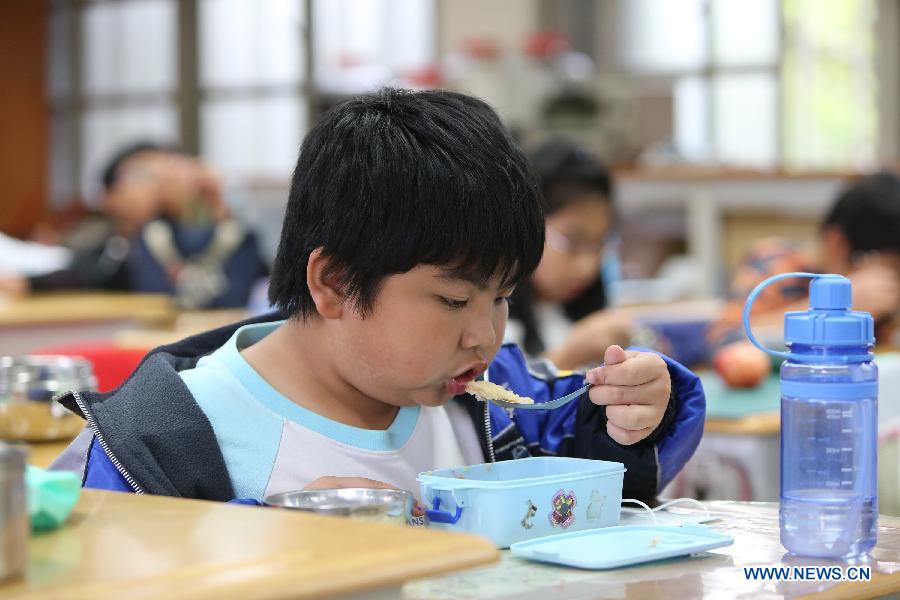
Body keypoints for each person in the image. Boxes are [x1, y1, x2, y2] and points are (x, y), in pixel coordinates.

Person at [51, 89, 705, 508]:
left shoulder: (496, 407)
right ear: (333, 283)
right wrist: (275, 541)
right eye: (453, 301)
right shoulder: (164, 445)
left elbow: (596, 483)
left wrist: (632, 414)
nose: (485, 335)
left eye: (502, 296)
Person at [0, 143, 269, 309]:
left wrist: (216, 208)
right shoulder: (113, 241)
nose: (157, 186)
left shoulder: (226, 236)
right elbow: (85, 274)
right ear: (108, 195)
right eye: (143, 176)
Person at [709, 171, 900, 348]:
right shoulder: (777, 264)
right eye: (884, 268)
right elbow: (722, 340)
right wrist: (828, 313)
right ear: (836, 242)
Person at [507, 137, 632, 370]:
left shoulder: (569, 310)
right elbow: (497, 400)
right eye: (572, 242)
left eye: (598, 245)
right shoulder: (495, 317)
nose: (587, 266)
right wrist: (572, 352)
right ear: (527, 224)